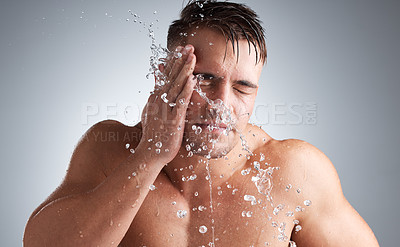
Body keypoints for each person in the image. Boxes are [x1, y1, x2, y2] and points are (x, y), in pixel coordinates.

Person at [23, 1, 380, 246]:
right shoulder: (112, 149)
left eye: (243, 87)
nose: (222, 104)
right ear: (167, 75)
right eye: (205, 78)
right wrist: (148, 158)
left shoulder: (292, 171)